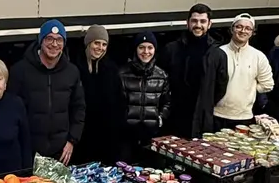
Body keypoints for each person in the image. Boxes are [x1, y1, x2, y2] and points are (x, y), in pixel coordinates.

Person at [9, 19, 85, 163]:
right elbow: (11, 111)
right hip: (28, 150)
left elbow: (79, 108)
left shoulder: (72, 72)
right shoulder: (20, 71)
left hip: (60, 151)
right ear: (41, 41)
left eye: (59, 40)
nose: (54, 44)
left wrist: (71, 141)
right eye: (49, 38)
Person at [159, 3, 228, 138]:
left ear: (209, 24)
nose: (198, 25)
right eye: (194, 21)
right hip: (174, 115)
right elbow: (160, 81)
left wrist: (206, 102)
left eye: (203, 21)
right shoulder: (171, 49)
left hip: (201, 119)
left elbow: (221, 86)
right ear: (187, 23)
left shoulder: (218, 54)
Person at [213, 13, 275, 130]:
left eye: (248, 28)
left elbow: (268, 85)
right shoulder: (218, 53)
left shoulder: (258, 56)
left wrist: (249, 90)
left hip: (244, 117)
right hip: (216, 115)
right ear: (232, 29)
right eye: (239, 27)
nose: (243, 31)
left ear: (252, 32)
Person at [117, 32, 170, 160]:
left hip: (151, 136)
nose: (146, 52)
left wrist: (160, 119)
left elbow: (167, 103)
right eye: (141, 47)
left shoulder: (161, 75)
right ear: (135, 49)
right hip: (127, 136)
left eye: (150, 47)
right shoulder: (122, 73)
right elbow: (116, 103)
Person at [75, 24, 122, 164]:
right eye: (97, 43)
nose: (100, 48)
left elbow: (118, 103)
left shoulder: (111, 69)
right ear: (88, 43)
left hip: (106, 137)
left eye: (104, 44)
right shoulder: (76, 67)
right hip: (82, 136)